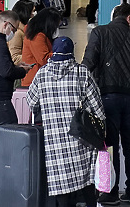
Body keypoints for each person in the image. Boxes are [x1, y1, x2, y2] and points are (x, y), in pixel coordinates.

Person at [83, 3, 130, 205]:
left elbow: (88, 63)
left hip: (107, 98)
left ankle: (110, 193)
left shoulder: (99, 33)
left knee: (109, 146)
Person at [27, 37, 106, 207]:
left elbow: (31, 101)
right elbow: (97, 108)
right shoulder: (82, 73)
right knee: (86, 182)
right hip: (81, 138)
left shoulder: (42, 74)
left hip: (54, 142)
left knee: (62, 184)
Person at [21, 7, 59, 87]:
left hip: (39, 79)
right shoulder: (37, 36)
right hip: (34, 80)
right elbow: (43, 59)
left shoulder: (39, 34)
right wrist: (59, 53)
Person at [7, 0, 37, 65]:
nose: (34, 14)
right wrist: (34, 56)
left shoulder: (26, 30)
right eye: (33, 11)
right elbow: (15, 57)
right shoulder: (17, 33)